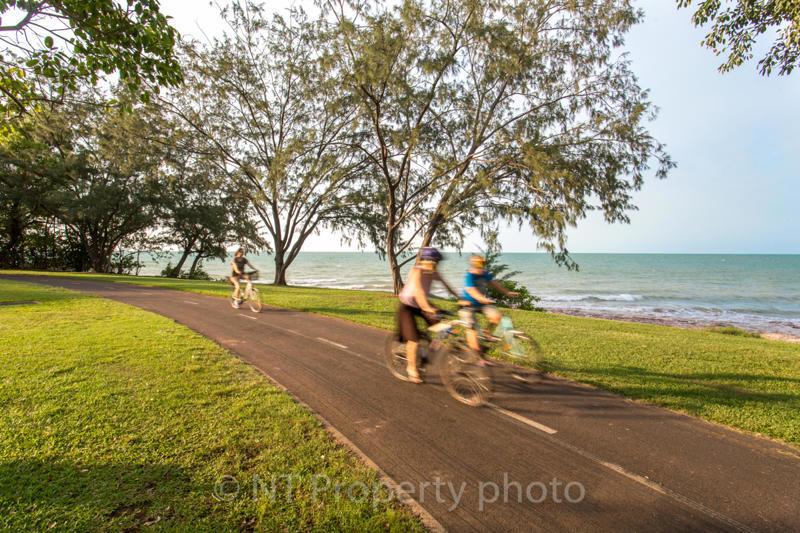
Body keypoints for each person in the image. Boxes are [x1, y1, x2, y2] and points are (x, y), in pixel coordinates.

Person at [396, 247, 460, 383]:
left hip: (422, 305)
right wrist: (427, 308)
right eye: (433, 262)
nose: (435, 265)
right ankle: (411, 368)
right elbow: (418, 291)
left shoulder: (434, 272)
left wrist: (460, 298)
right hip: (408, 307)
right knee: (414, 340)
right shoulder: (416, 271)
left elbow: (447, 286)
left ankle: (428, 350)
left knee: (445, 326)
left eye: (437, 263)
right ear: (425, 260)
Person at [461, 254, 519, 354]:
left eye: (483, 263)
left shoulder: (484, 273)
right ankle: (475, 354)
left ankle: (486, 332)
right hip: (469, 304)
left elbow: (494, 283)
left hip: (482, 304)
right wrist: (482, 298)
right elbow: (471, 290)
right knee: (472, 329)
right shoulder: (469, 276)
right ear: (473, 264)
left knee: (497, 317)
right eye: (479, 263)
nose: (482, 265)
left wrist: (507, 292)